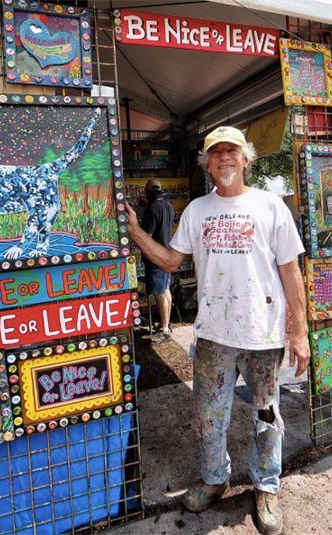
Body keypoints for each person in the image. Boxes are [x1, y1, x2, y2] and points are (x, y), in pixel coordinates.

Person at [125, 126, 310, 535]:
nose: (224, 158)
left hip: (263, 335)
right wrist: (136, 232)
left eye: (232, 151)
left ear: (246, 159)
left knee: (266, 414)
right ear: (206, 163)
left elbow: (290, 272)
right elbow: (172, 261)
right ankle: (214, 477)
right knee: (209, 417)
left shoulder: (270, 206)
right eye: (216, 152)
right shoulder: (196, 210)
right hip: (211, 336)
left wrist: (298, 333)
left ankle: (266, 485)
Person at [141, 179, 175, 342]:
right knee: (165, 289)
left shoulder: (151, 209)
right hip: (167, 254)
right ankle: (166, 324)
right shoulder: (167, 206)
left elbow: (147, 236)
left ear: (148, 193)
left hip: (155, 256)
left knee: (159, 293)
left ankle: (164, 329)